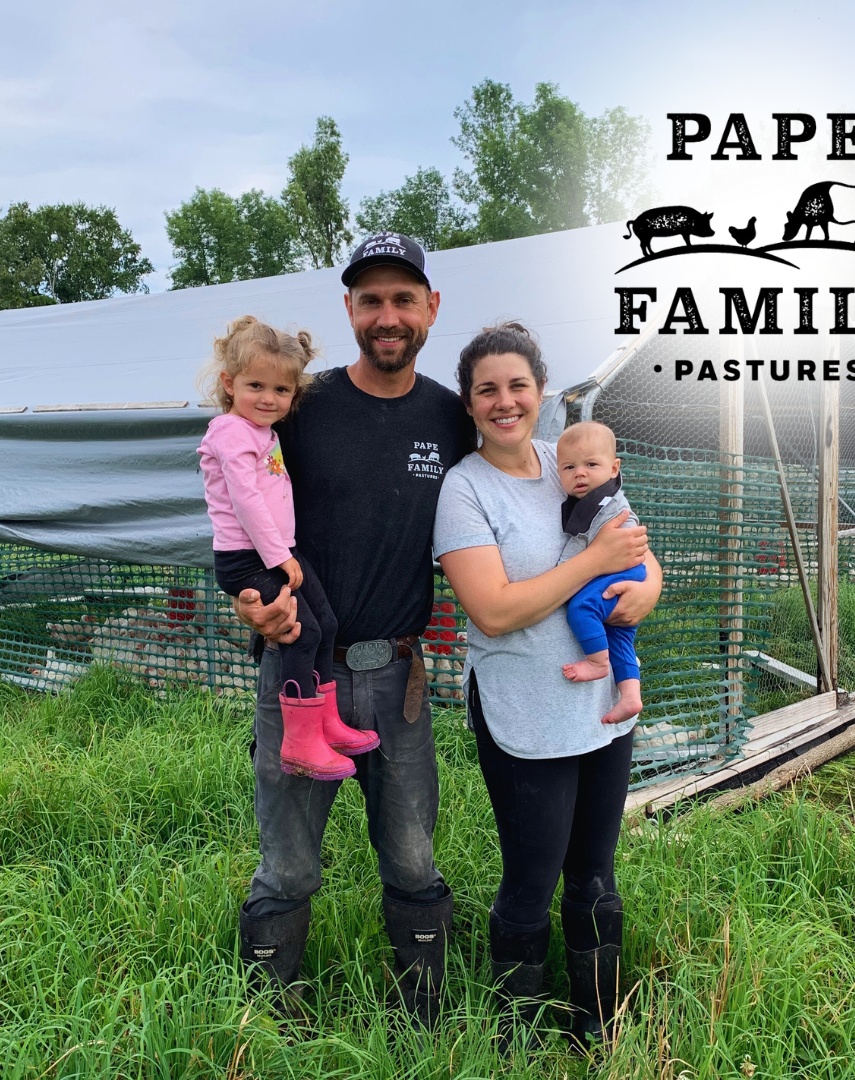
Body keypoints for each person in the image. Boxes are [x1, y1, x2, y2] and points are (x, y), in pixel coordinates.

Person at [230, 233, 474, 1026]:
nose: (387, 315)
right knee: (289, 867)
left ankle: (426, 1021)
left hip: (399, 680)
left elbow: (513, 494)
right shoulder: (303, 408)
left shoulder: (450, 416)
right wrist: (247, 596)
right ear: (349, 311)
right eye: (370, 299)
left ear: (430, 308)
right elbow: (236, 502)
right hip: (304, 674)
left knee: (411, 859)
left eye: (404, 298)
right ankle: (266, 1027)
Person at [432, 323, 662, 1048]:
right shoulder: (464, 489)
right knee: (531, 877)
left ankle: (599, 1018)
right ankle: (517, 1032)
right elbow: (494, 611)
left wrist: (649, 586)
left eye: (517, 385)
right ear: (468, 404)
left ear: (541, 391)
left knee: (595, 871)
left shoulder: (572, 457)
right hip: (524, 711)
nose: (505, 402)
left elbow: (636, 546)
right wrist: (595, 561)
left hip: (601, 708)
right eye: (487, 390)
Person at [197, 317, 378, 783]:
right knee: (303, 633)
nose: (268, 398)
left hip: (277, 551)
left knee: (327, 624)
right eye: (256, 385)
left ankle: (324, 722)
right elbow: (246, 500)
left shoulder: (265, 433)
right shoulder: (231, 431)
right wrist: (280, 555)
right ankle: (299, 741)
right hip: (249, 557)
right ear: (228, 383)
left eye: (281, 390)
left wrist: (282, 551)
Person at [557, 420, 646, 726]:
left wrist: (559, 572)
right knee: (619, 637)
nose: (579, 473)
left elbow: (581, 545)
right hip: (628, 572)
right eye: (568, 468)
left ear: (613, 468)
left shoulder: (601, 503)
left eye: (590, 464)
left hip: (622, 572)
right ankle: (631, 696)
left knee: (581, 608)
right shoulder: (600, 497)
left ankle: (597, 663)